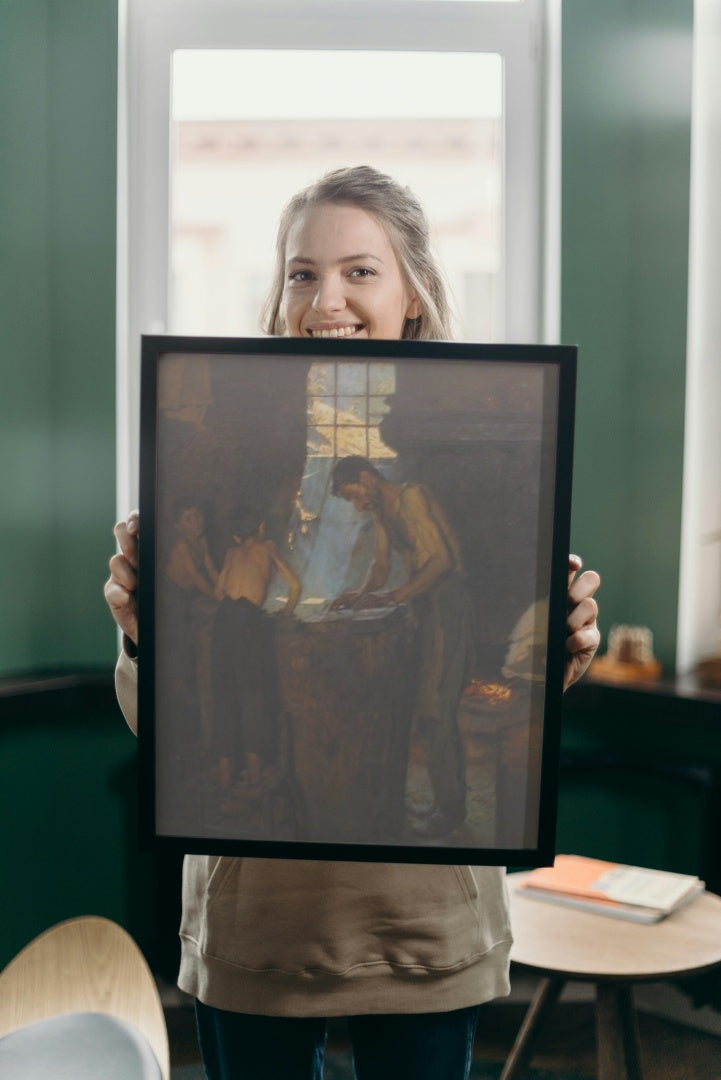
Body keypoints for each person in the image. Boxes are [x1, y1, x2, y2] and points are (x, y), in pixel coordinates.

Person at [105, 165, 601, 1080]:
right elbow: (166, 727)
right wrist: (146, 635)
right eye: (301, 272)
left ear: (412, 292)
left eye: (359, 271)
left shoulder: (477, 445)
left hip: (421, 922)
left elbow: (496, 692)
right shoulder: (221, 467)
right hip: (258, 922)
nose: (324, 297)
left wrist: (559, 656)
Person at [330, 454, 472, 837]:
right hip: (425, 608)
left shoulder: (412, 498)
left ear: (367, 477)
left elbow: (441, 560)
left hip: (447, 605)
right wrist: (358, 595)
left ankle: (452, 809)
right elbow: (379, 568)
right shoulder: (382, 512)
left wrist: (395, 596)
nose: (358, 505)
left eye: (356, 495)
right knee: (426, 708)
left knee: (436, 709)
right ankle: (445, 802)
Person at [212, 506, 301, 788]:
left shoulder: (229, 553)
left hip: (223, 621)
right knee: (252, 696)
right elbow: (295, 586)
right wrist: (287, 610)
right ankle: (253, 773)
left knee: (225, 695)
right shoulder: (269, 547)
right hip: (248, 622)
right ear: (261, 528)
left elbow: (219, 592)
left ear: (236, 536)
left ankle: (225, 775)